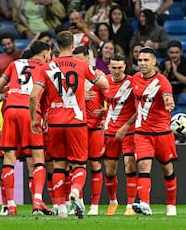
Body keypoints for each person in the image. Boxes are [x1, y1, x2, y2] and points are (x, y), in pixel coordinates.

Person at [29, 30, 109, 219]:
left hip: (55, 123)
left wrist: (34, 119)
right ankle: (75, 190)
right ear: (73, 47)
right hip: (77, 122)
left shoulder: (47, 67)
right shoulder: (82, 65)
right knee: (79, 164)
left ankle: (61, 208)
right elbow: (104, 84)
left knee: (58, 165)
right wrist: (96, 75)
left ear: (57, 46)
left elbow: (33, 96)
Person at [0, 40, 54, 216]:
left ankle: (10, 206)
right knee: (38, 159)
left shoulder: (15, 64)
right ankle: (37, 203)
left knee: (9, 158)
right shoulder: (46, 69)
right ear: (44, 54)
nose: (49, 57)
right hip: (30, 111)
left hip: (11, 110)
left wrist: (12, 88)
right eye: (49, 54)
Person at [132, 47, 178, 216]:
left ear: (154, 62)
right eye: (139, 60)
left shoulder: (162, 82)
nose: (142, 63)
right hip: (142, 133)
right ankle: (144, 203)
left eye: (146, 60)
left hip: (162, 133)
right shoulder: (135, 78)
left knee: (167, 169)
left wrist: (169, 104)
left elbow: (168, 97)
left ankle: (171, 205)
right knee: (143, 166)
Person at [102, 53, 137, 216]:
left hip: (129, 132)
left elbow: (140, 109)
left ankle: (130, 205)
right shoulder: (104, 82)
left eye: (120, 68)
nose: (116, 71)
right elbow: (103, 103)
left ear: (125, 67)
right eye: (114, 68)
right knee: (110, 171)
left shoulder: (132, 83)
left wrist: (126, 125)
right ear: (109, 67)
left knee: (130, 165)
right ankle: (113, 201)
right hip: (110, 132)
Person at [72, 45, 106, 216]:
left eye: (80, 59)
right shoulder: (70, 78)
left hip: (95, 128)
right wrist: (79, 96)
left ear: (87, 58)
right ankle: (78, 202)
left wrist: (105, 112)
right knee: (76, 165)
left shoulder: (98, 77)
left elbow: (111, 98)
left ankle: (95, 205)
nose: (78, 62)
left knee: (95, 164)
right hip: (76, 126)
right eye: (75, 59)